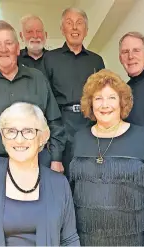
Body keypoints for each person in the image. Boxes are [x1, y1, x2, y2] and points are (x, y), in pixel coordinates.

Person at [69, 69, 144, 246]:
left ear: (121, 102)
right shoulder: (79, 138)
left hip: (132, 237)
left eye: (111, 98)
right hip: (87, 238)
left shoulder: (141, 137)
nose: (105, 105)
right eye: (98, 98)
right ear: (90, 104)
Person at [0, 20, 65, 186]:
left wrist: (56, 158)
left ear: (18, 48)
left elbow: (54, 122)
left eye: (8, 43)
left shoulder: (38, 79)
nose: (3, 49)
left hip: (38, 162)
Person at [0, 102, 80, 246]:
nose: (19, 139)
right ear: (3, 137)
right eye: (11, 131)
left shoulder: (59, 184)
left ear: (43, 137)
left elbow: (69, 240)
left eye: (28, 131)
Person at [43, 7, 105, 177]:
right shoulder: (50, 59)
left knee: (89, 174)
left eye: (79, 23)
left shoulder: (96, 60)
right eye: (69, 23)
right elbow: (45, 97)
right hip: (61, 123)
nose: (75, 28)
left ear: (86, 30)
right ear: (63, 29)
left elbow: (103, 96)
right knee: (61, 176)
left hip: (89, 124)